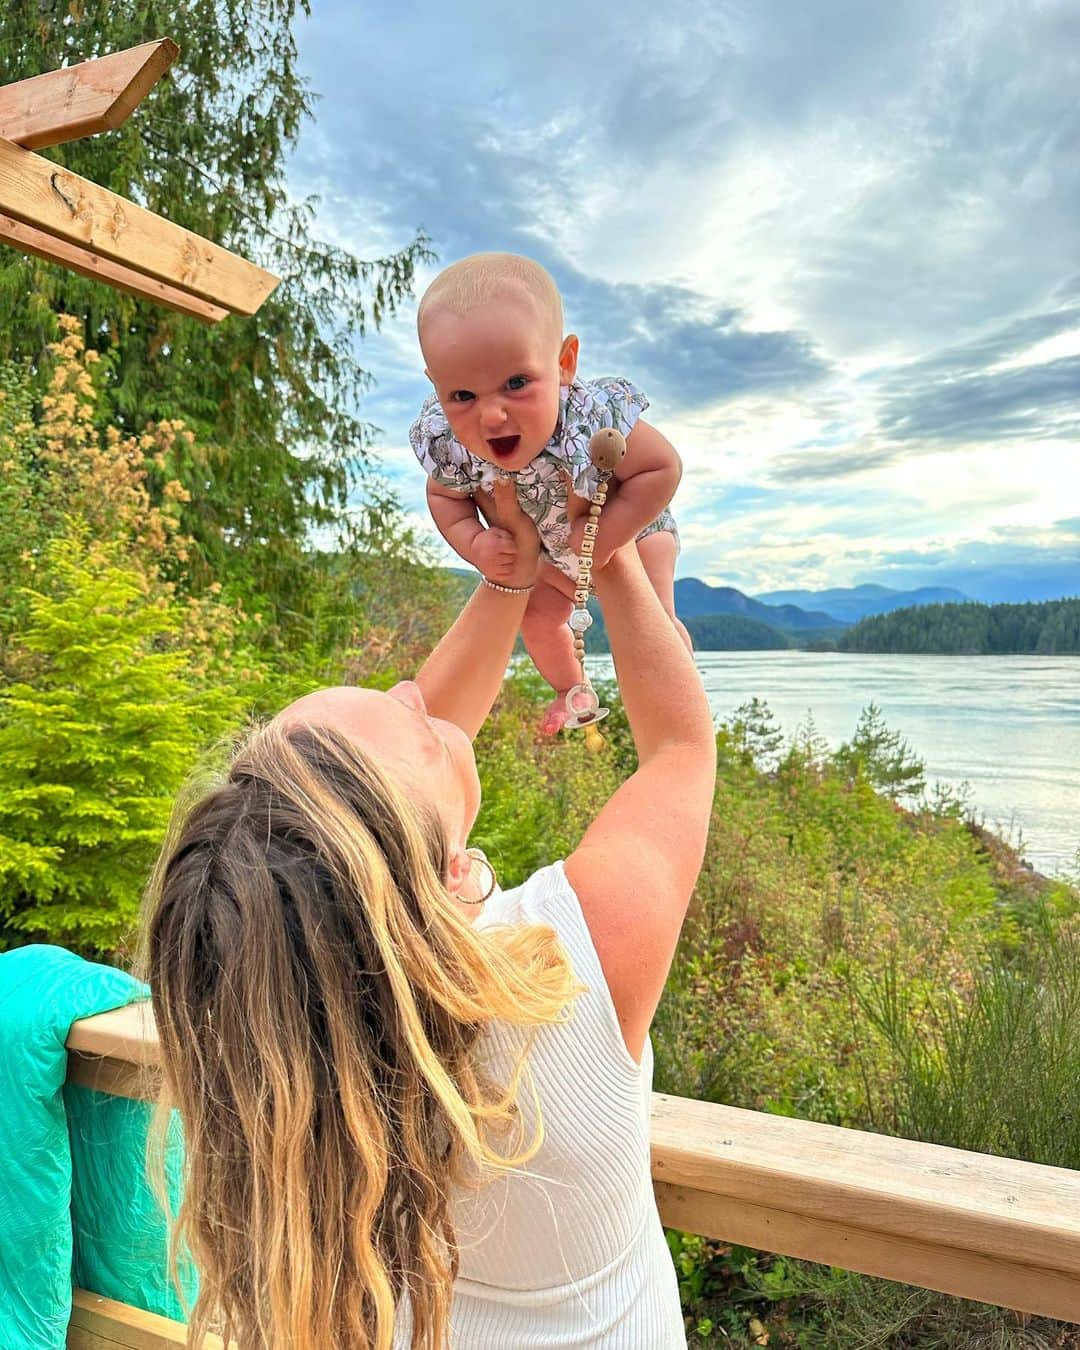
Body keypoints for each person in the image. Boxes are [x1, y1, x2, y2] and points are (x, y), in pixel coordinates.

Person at [144, 476, 716, 1349]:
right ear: (444, 873)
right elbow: (679, 747)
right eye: (410, 722)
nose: (418, 694)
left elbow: (360, 832)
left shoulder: (272, 1033)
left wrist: (510, 575)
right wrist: (608, 545)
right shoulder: (567, 972)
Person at [410, 252, 693, 736]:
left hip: (630, 525)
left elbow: (661, 469)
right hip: (551, 558)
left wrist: (609, 534)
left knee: (656, 618)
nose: (491, 416)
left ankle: (679, 686)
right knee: (538, 620)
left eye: (516, 384)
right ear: (437, 389)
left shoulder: (588, 421)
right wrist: (475, 544)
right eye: (462, 396)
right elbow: (444, 498)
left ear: (564, 364)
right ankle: (570, 689)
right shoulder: (452, 445)